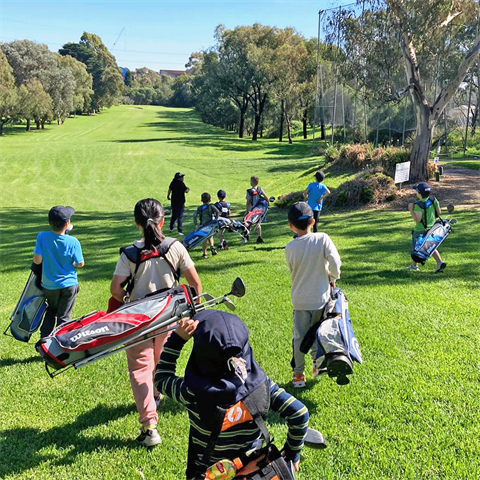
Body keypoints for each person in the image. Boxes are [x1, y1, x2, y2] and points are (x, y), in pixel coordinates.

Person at [154, 310, 309, 480]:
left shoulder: (191, 392)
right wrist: (292, 453)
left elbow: (161, 378)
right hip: (251, 471)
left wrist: (177, 340)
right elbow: (299, 413)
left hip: (208, 473)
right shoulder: (263, 387)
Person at [110, 198, 202, 447]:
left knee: (140, 369)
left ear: (136, 223)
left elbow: (116, 289)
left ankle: (150, 426)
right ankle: (159, 392)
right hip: (168, 316)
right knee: (162, 360)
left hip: (137, 320)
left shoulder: (129, 253)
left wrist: (128, 298)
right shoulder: (176, 247)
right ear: (162, 220)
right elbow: (195, 284)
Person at [285, 202, 342, 388]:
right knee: (319, 332)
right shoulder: (322, 239)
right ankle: (318, 364)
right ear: (313, 220)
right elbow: (335, 262)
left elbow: (294, 270)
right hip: (321, 298)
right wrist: (332, 277)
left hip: (300, 300)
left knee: (300, 337)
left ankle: (298, 375)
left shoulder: (290, 248)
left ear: (290, 225)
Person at [33, 206, 84, 338]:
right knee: (64, 317)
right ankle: (60, 346)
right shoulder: (73, 241)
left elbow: (37, 261)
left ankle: (44, 342)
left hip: (49, 285)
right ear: (67, 224)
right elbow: (80, 263)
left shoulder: (42, 237)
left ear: (49, 222)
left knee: (51, 310)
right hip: (69, 285)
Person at [407, 182, 446, 273]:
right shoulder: (433, 200)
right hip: (432, 229)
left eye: (416, 191)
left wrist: (411, 210)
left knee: (417, 248)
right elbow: (439, 212)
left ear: (419, 194)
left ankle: (415, 266)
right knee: (429, 246)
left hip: (420, 230)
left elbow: (417, 219)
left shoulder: (418, 205)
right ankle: (416, 265)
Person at [193, 192, 220, 258]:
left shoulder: (200, 208)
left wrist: (196, 224)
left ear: (201, 200)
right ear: (210, 200)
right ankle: (212, 246)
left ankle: (205, 254)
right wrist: (215, 219)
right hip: (210, 224)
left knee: (203, 240)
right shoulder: (211, 206)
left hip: (202, 225)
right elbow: (217, 211)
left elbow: (194, 215)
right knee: (210, 236)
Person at [245, 176, 270, 244]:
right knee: (258, 224)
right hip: (259, 210)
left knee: (248, 223)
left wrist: (246, 211)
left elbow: (248, 202)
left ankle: (247, 235)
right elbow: (265, 197)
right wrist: (267, 203)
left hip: (251, 210)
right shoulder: (260, 189)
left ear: (252, 183)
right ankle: (259, 237)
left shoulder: (249, 191)